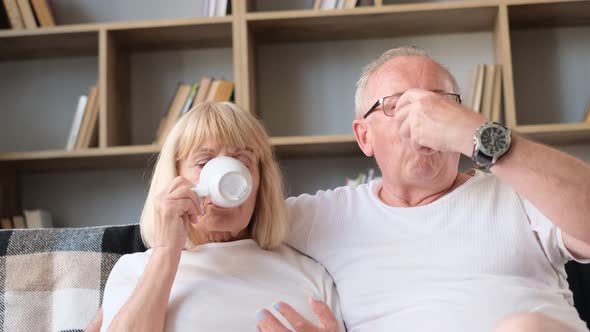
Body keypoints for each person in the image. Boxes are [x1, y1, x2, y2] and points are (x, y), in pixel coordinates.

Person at [257, 46, 590, 332]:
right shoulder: (327, 216)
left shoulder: (517, 189)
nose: (420, 119)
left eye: (439, 104)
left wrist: (479, 134)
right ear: (364, 136)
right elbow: (233, 218)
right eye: (397, 105)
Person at [98, 102, 344, 332]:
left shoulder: (312, 274)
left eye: (242, 162)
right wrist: (165, 251)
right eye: (204, 162)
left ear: (260, 183)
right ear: (175, 176)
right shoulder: (136, 270)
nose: (225, 176)